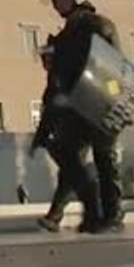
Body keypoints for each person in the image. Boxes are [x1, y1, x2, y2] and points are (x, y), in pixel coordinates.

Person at [44, 0, 125, 233]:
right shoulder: (66, 32)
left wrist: (114, 99)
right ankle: (72, 214)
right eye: (54, 0)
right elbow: (60, 75)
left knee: (104, 159)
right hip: (74, 105)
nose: (57, 4)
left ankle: (112, 216)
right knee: (70, 157)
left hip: (99, 100)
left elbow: (114, 66)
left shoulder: (98, 25)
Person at [30, 40, 101, 233]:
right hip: (76, 130)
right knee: (68, 173)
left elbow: (53, 107)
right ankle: (55, 215)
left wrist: (41, 136)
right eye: (43, 59)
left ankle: (91, 211)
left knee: (72, 171)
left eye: (47, 58)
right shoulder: (65, 73)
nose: (44, 62)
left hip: (77, 130)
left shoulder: (61, 75)